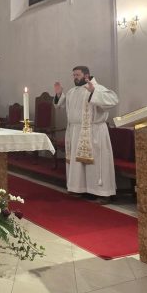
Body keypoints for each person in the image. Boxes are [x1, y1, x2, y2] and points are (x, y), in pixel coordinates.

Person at [54, 66, 119, 202]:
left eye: (77, 75)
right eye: (73, 75)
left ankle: (102, 193)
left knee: (96, 164)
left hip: (94, 131)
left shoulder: (98, 88)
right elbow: (61, 105)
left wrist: (94, 92)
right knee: (78, 164)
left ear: (86, 75)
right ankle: (80, 188)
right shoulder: (72, 91)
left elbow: (113, 100)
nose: (75, 77)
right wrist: (59, 95)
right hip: (75, 132)